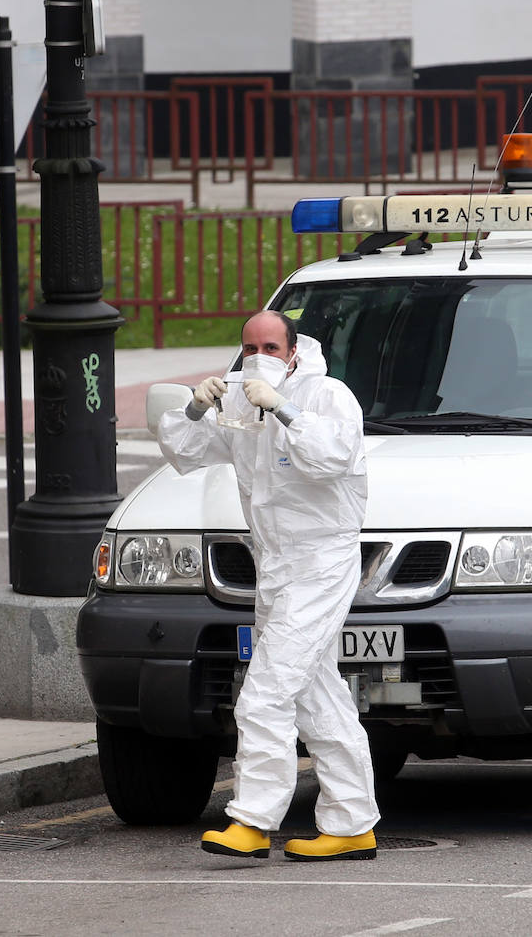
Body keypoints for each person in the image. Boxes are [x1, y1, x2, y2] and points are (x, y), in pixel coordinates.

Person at [157, 309, 380, 861]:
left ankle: (253, 821)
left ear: (294, 348)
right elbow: (184, 452)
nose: (261, 355)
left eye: (272, 346)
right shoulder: (238, 400)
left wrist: (283, 408)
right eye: (250, 346)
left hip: (322, 562)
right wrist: (193, 407)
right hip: (276, 566)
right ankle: (352, 824)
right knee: (319, 696)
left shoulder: (329, 396)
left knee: (264, 692)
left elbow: (331, 458)